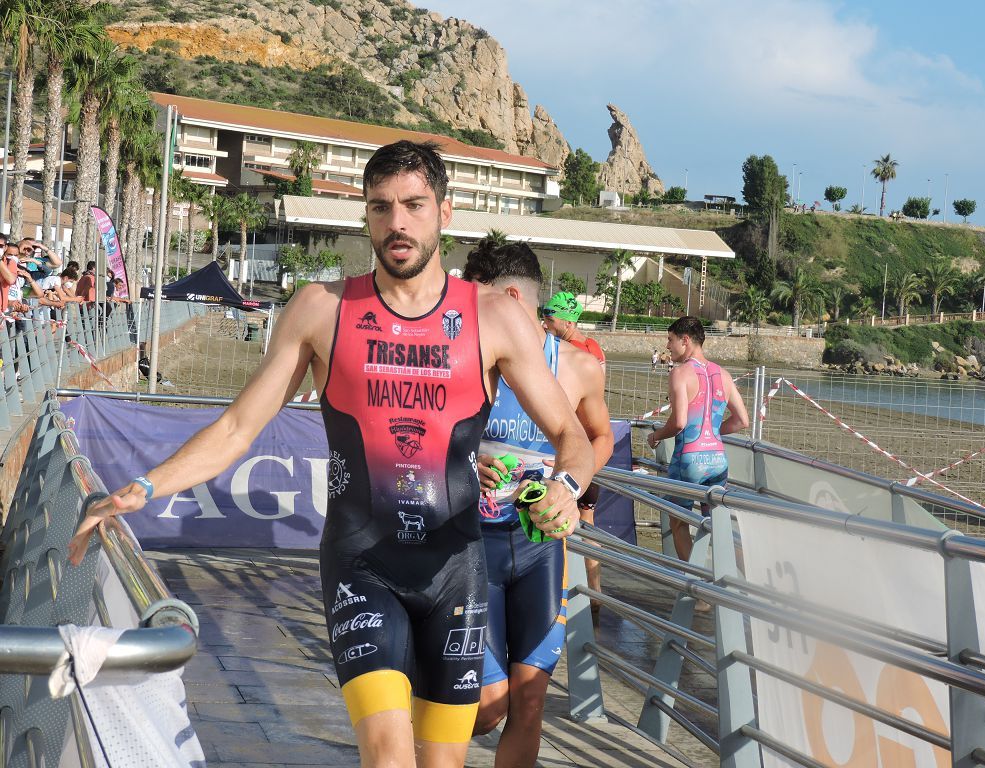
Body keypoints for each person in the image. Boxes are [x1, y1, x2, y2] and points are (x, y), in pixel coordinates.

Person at [69, 140, 594, 768]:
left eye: (414, 205)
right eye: (381, 208)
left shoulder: (493, 320)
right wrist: (142, 489)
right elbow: (239, 427)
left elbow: (574, 438)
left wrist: (566, 486)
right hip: (361, 568)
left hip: (457, 571)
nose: (397, 222)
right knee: (387, 755)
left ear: (445, 212)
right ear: (366, 218)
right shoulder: (322, 310)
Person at [464, 240, 613, 768]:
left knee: (528, 705)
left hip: (539, 548)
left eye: (474, 297)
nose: (465, 310)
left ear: (507, 297)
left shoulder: (577, 367)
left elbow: (600, 438)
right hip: (471, 550)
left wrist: (566, 487)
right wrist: (460, 465)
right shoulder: (466, 360)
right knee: (485, 708)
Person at [646, 316, 749, 561]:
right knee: (718, 525)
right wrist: (711, 432)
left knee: (678, 522)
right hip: (717, 459)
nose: (668, 347)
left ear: (685, 340)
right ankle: (746, 581)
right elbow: (742, 421)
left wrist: (657, 435)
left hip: (689, 460)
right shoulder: (723, 374)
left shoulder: (680, 373)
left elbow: (679, 422)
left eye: (670, 340)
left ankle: (698, 589)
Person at [541, 290, 607, 598]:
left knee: (561, 527)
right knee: (587, 523)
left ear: (566, 321)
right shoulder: (594, 349)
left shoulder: (566, 354)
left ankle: (565, 592)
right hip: (589, 456)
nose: (544, 325)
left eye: (550, 319)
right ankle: (594, 591)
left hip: (569, 457)